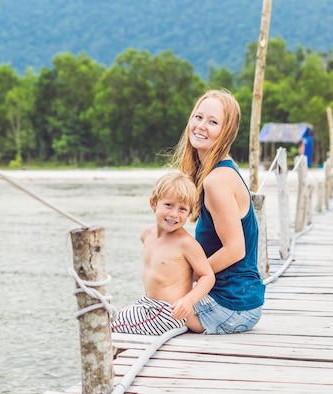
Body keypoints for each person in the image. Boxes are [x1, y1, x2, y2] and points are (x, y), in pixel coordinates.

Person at [170, 89, 265, 334]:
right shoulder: (221, 169)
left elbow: (235, 249)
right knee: (149, 303)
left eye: (213, 122)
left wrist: (188, 276)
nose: (201, 126)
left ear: (226, 133)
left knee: (132, 319)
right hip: (238, 300)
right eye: (198, 117)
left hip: (230, 306)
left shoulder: (217, 181)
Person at [111, 172, 216, 335]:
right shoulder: (146, 235)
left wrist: (188, 301)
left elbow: (207, 276)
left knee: (106, 327)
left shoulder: (186, 244)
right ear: (153, 203)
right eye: (168, 205)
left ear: (189, 213)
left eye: (182, 209)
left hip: (169, 313)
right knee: (112, 315)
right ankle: (120, 359)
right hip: (148, 304)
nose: (174, 214)